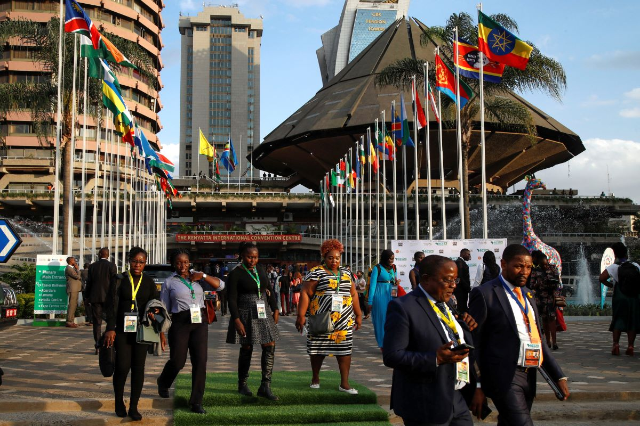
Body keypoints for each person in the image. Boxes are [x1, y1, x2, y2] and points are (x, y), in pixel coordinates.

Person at [468, 244, 569, 424]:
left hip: (529, 374)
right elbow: (474, 342)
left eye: (529, 267)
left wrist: (558, 376)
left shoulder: (528, 295)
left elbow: (538, 340)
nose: (524, 271)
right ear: (504, 264)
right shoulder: (485, 294)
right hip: (504, 375)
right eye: (518, 266)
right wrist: (477, 384)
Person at [383, 255, 477, 426]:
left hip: (456, 397)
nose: (453, 285)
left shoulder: (446, 303)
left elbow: (447, 334)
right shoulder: (403, 307)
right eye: (448, 280)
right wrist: (435, 358)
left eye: (455, 280)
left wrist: (464, 326)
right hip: (425, 402)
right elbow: (392, 356)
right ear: (426, 279)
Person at [157, 249, 224, 414]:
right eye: (179, 262)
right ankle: (163, 382)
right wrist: (161, 332)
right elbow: (163, 308)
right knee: (178, 361)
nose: (183, 265)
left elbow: (221, 285)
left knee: (200, 361)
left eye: (186, 262)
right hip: (180, 321)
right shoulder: (169, 282)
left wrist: (203, 276)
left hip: (199, 321)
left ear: (189, 263)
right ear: (174, 264)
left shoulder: (198, 277)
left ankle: (196, 402)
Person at [103, 247, 164, 421]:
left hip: (141, 331)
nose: (137, 265)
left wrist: (155, 315)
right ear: (129, 261)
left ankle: (134, 406)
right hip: (122, 330)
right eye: (135, 261)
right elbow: (111, 305)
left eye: (141, 262)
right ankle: (118, 401)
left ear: (146, 263)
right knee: (122, 367)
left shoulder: (149, 282)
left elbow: (155, 304)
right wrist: (110, 328)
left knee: (139, 369)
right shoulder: (119, 279)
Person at [296, 239, 363, 393]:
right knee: (319, 348)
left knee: (345, 350)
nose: (334, 261)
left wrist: (358, 314)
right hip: (322, 317)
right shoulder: (316, 272)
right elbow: (306, 293)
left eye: (337, 258)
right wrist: (300, 315)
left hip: (344, 319)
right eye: (330, 258)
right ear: (324, 257)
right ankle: (315, 378)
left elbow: (353, 295)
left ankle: (344, 383)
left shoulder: (346, 273)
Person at [226, 242, 280, 400]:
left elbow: (268, 289)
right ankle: (242, 384)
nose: (253, 260)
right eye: (249, 257)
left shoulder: (260, 269)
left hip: (262, 309)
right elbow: (232, 299)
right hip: (245, 311)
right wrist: (236, 319)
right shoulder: (236, 273)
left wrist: (275, 308)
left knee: (269, 344)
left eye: (255, 257)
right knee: (247, 346)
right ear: (242, 256)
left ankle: (265, 385)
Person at [600, 242, 640, 356]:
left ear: (615, 254)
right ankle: (631, 346)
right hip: (633, 297)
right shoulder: (636, 266)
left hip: (620, 296)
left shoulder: (614, 267)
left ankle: (616, 345)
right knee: (632, 321)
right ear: (626, 253)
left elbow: (601, 278)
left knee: (618, 319)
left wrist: (611, 285)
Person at [528, 251, 562, 350]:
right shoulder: (535, 271)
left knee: (552, 319)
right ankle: (547, 341)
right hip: (541, 297)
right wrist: (537, 285)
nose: (545, 266)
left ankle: (554, 342)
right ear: (539, 263)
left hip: (551, 297)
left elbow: (558, 283)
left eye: (546, 264)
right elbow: (531, 285)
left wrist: (556, 293)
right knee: (544, 319)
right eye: (543, 265)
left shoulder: (553, 268)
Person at [85, 248, 118, 348]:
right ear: (107, 255)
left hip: (95, 297)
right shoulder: (112, 266)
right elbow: (114, 283)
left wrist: (86, 296)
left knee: (97, 321)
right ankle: (109, 341)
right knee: (110, 320)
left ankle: (98, 343)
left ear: (99, 254)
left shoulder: (92, 266)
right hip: (108, 297)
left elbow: (89, 283)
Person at [368, 249, 400, 349]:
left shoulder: (393, 268)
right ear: (385, 258)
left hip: (390, 295)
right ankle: (382, 345)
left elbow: (394, 283)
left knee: (391, 320)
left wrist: (396, 287)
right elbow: (372, 286)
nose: (391, 261)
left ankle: (390, 342)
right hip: (379, 296)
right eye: (390, 258)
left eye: (393, 259)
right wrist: (370, 301)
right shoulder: (377, 268)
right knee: (381, 320)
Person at [65, 257, 82, 328]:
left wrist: (77, 270)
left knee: (74, 305)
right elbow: (77, 277)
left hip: (75, 289)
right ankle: (69, 321)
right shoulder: (69, 268)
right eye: (74, 260)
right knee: (72, 305)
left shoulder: (72, 268)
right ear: (70, 261)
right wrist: (78, 269)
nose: (75, 261)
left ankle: (71, 320)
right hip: (72, 289)